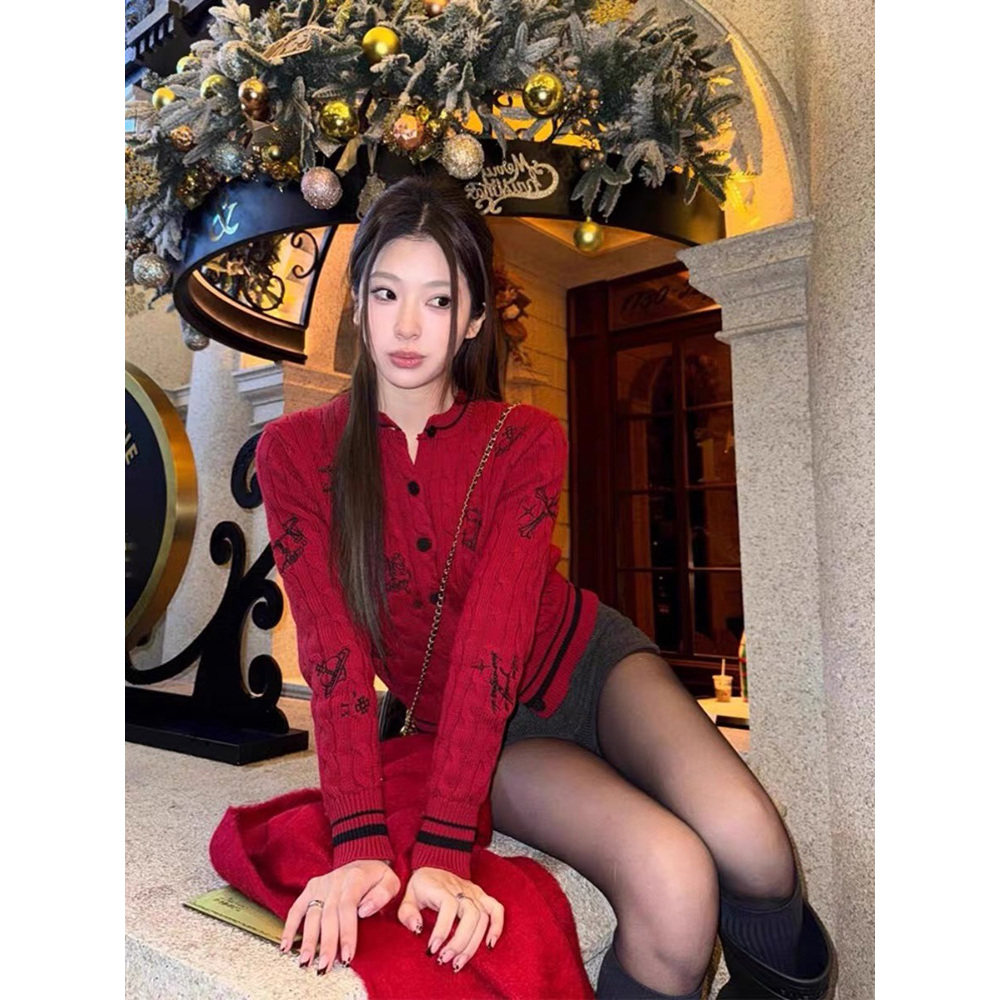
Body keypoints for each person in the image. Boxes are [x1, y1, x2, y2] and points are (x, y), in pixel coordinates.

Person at [254, 174, 832, 999]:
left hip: (590, 665)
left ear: (474, 319)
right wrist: (366, 844)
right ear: (356, 306)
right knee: (675, 879)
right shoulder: (295, 452)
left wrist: (442, 853)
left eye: (439, 300)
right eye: (386, 293)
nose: (408, 326)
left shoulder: (523, 439)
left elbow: (495, 635)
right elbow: (333, 655)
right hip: (485, 734)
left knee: (757, 849)